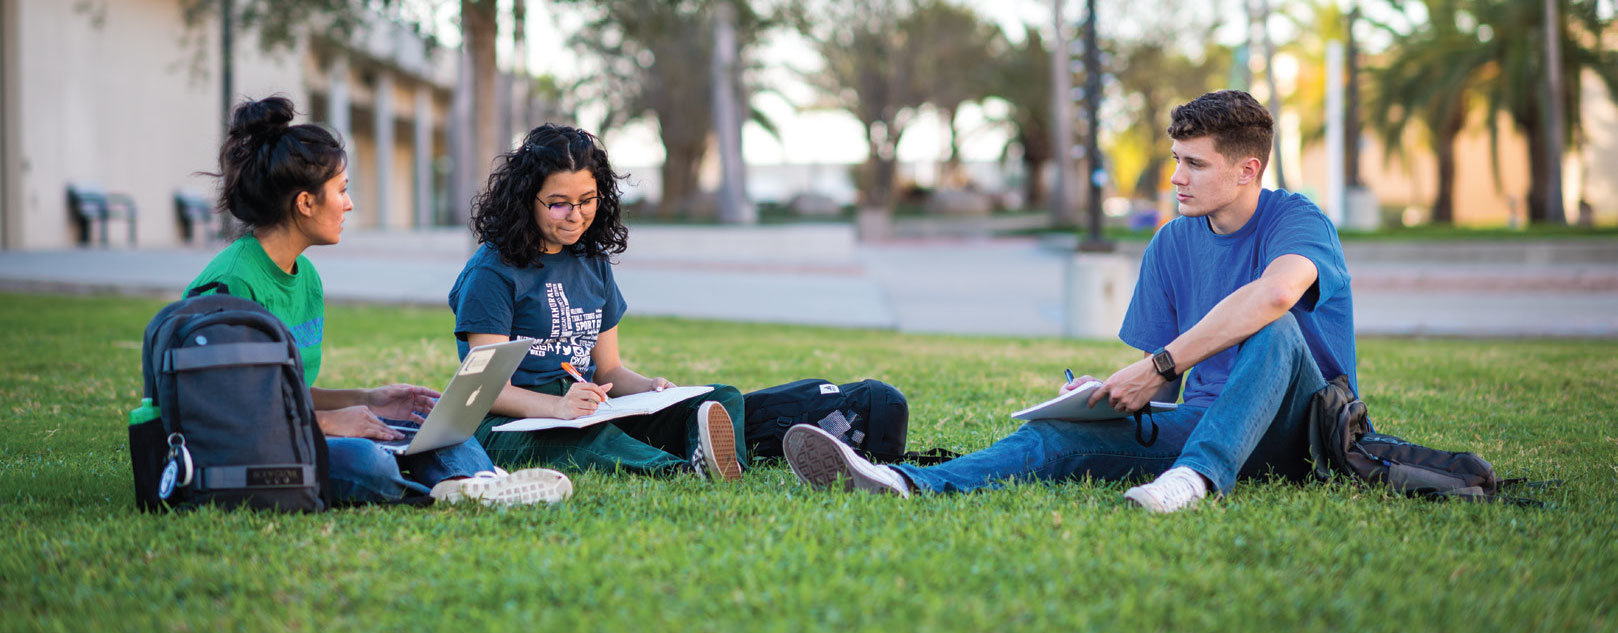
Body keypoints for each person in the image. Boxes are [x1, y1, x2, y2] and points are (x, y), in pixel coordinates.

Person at [783, 90, 1357, 513]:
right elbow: (1161, 376)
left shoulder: (1297, 220)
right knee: (1051, 439)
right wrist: (1105, 394)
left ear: (1247, 170)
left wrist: (1157, 366)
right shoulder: (1172, 242)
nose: (1176, 177)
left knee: (1275, 325)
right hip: (1205, 425)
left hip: (1302, 434)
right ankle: (900, 483)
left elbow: (1277, 293)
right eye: (1176, 159)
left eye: (1195, 164)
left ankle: (1196, 483)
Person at [189, 96, 571, 506]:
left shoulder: (306, 280)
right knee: (363, 457)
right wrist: (331, 423)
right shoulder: (231, 284)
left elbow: (285, 391)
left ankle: (478, 482)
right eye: (342, 190)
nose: (349, 204)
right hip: (238, 453)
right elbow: (229, 410)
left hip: (291, 431)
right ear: (305, 202)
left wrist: (369, 399)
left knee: (427, 428)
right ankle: (452, 489)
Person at [449, 123, 746, 481]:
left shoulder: (593, 262)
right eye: (558, 204)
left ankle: (724, 464)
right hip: (510, 425)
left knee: (721, 397)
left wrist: (650, 387)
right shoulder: (492, 273)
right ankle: (681, 470)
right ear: (527, 199)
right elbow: (486, 391)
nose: (576, 215)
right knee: (589, 439)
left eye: (587, 201)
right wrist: (559, 407)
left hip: (588, 407)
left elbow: (608, 371)